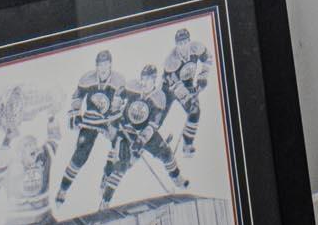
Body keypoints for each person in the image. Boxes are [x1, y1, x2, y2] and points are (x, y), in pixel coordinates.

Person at [99, 67, 189, 207]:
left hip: (146, 133)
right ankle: (105, 200)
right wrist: (115, 111)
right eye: (143, 78)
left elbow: (152, 125)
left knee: (166, 154)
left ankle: (177, 178)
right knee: (122, 165)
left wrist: (141, 140)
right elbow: (119, 93)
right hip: (126, 130)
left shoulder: (159, 97)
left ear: (154, 79)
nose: (144, 82)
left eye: (147, 79)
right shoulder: (133, 86)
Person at [56, 50, 125, 209]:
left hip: (108, 121)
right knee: (80, 155)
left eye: (106, 64)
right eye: (100, 65)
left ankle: (107, 175)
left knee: (118, 148)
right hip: (90, 121)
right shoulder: (87, 78)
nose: (103, 68)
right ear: (96, 66)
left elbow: (118, 105)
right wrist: (75, 114)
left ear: (110, 65)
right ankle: (63, 189)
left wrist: (113, 124)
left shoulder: (118, 80)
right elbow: (77, 96)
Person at [161, 29, 211, 157]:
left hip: (187, 83)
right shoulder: (171, 60)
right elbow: (174, 85)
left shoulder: (196, 47)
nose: (183, 46)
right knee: (160, 115)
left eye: (185, 42)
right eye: (180, 43)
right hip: (169, 88)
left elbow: (208, 58)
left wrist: (203, 77)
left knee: (195, 111)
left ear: (189, 41)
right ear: (176, 45)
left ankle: (188, 144)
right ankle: (155, 142)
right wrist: (188, 96)